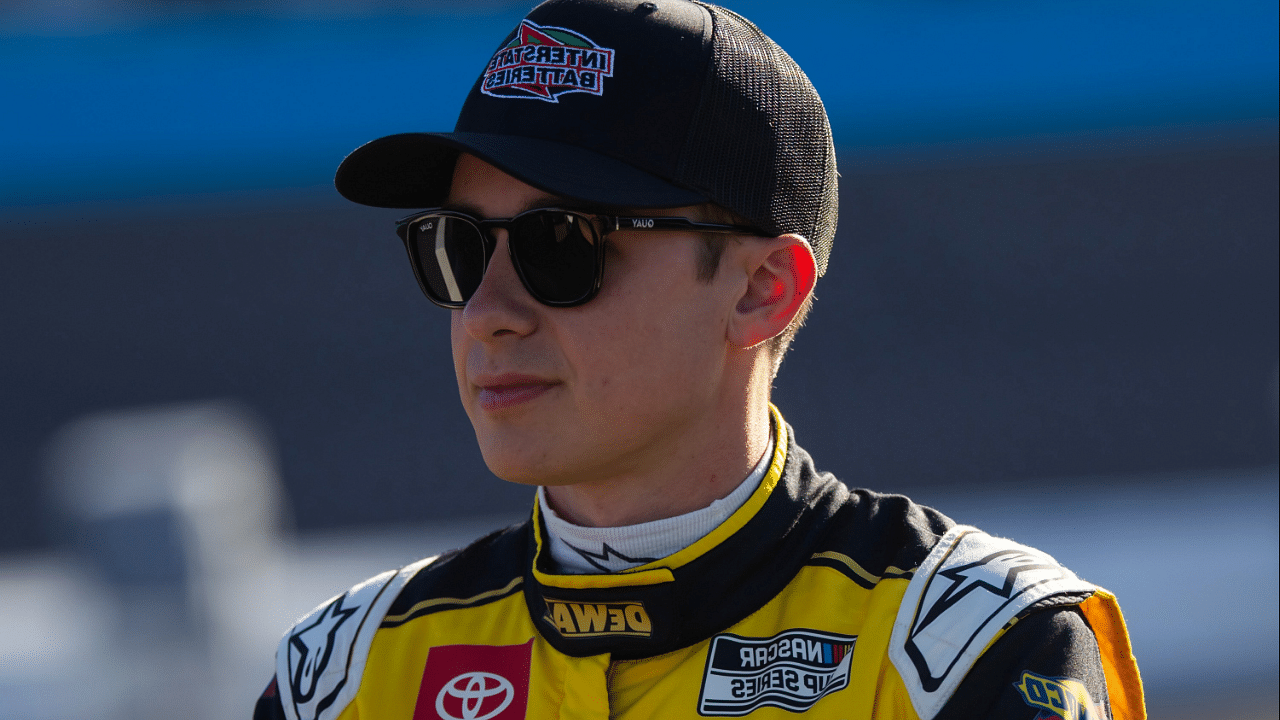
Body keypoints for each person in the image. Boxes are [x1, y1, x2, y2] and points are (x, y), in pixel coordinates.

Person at [254, 1, 1144, 718]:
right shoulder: (345, 677)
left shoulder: (969, 649)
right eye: (453, 247)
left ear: (762, 288)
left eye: (559, 246)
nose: (485, 312)